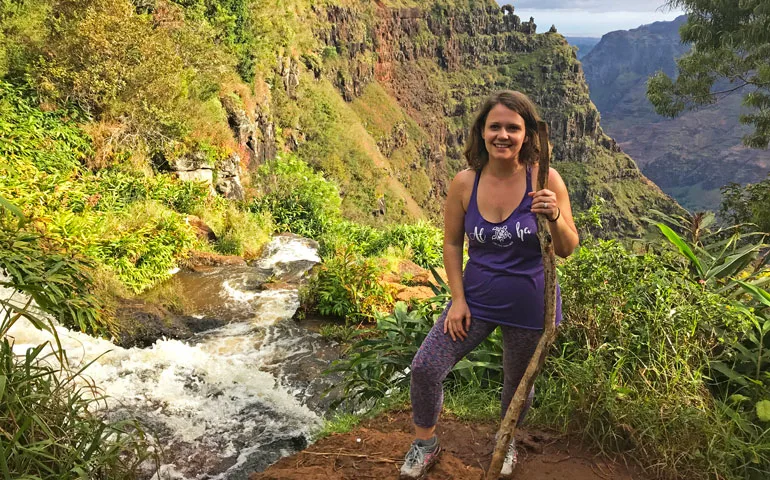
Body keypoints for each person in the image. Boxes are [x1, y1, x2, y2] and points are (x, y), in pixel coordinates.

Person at [399, 90, 579, 480]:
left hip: (531, 307)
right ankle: (425, 444)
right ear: (481, 132)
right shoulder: (465, 183)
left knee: (517, 387)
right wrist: (458, 300)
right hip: (475, 300)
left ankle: (506, 439)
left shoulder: (545, 179)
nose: (503, 135)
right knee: (426, 368)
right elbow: (451, 242)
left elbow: (567, 248)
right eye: (494, 126)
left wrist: (555, 216)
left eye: (513, 128)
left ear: (528, 135)